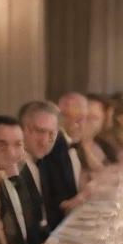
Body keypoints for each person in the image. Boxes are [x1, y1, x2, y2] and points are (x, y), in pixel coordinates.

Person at [0, 114, 47, 244]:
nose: (11, 153)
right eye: (2, 145)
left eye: (17, 144)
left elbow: (34, 224)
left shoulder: (21, 172)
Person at [41, 92, 93, 222]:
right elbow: (59, 203)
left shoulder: (74, 142)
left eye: (83, 118)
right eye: (80, 118)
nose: (82, 124)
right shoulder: (55, 148)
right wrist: (83, 196)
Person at [17, 100, 59, 242]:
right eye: (39, 131)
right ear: (21, 130)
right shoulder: (15, 169)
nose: (45, 141)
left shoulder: (42, 163)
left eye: (51, 133)